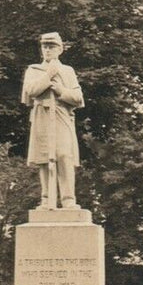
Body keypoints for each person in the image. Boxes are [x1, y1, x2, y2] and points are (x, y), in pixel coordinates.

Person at [21, 31, 84, 209]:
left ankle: (68, 199)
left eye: (52, 46)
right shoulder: (34, 69)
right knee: (44, 156)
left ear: (60, 49)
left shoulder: (67, 71)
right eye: (45, 46)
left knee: (64, 154)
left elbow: (78, 98)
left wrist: (60, 90)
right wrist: (48, 75)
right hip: (42, 113)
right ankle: (47, 198)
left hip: (62, 113)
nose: (48, 50)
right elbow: (30, 91)